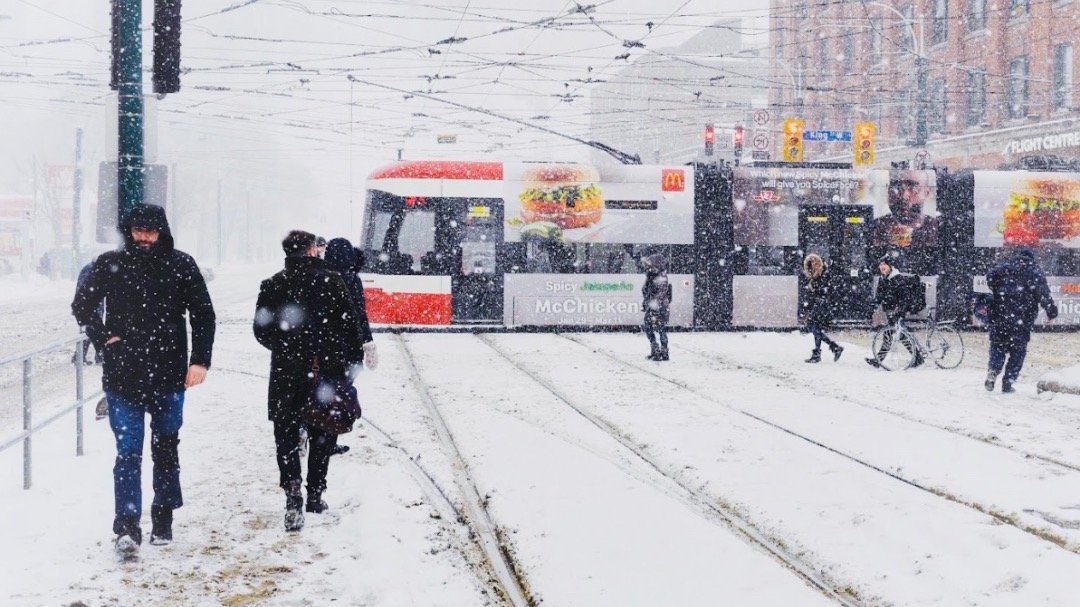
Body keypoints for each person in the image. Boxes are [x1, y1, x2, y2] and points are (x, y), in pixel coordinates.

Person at [71, 203, 216, 557]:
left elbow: (203, 314)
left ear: (162, 231)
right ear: (129, 230)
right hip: (123, 377)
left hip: (169, 375)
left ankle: (163, 516)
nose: (145, 238)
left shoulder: (181, 264)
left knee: (166, 448)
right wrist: (103, 336)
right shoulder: (109, 265)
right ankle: (127, 526)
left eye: (151, 231)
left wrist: (199, 361)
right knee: (128, 452)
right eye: (138, 230)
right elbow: (82, 305)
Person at [253, 230, 365, 532]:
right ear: (312, 250)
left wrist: (286, 348)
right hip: (327, 370)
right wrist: (350, 363)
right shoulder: (332, 281)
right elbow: (351, 327)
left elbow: (261, 330)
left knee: (286, 434)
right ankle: (315, 493)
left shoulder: (273, 284)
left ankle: (293, 495)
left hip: (286, 372)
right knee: (324, 430)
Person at [323, 238, 379, 456]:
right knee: (340, 392)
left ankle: (314, 432)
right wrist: (368, 342)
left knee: (322, 390)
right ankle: (329, 439)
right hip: (348, 346)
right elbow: (359, 314)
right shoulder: (352, 279)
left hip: (323, 345)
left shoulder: (322, 277)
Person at [984, 248, 1058, 393]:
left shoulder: (1004, 268)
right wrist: (1051, 311)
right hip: (1022, 319)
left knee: (998, 346)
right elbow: (1043, 294)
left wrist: (1000, 291)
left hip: (1000, 316)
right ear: (1032, 258)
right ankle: (1008, 383)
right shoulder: (1034, 271)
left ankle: (993, 370)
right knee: (1017, 352)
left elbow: (990, 277)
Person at [865, 256, 925, 368]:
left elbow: (905, 299)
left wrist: (899, 311)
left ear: (890, 266)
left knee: (889, 334)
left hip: (898, 311)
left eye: (884, 264)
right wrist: (871, 309)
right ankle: (917, 358)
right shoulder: (882, 279)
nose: (882, 266)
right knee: (900, 335)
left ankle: (879, 360)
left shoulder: (898, 279)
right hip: (890, 311)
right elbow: (879, 297)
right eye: (880, 264)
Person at [870, 170, 939, 249]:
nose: (903, 196)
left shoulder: (938, 230)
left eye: (913, 188)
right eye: (896, 188)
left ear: (926, 193)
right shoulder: (874, 228)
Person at [801, 254, 843, 363]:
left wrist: (816, 292)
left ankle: (819, 353)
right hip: (816, 304)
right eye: (811, 263)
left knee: (814, 327)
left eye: (816, 263)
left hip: (822, 305)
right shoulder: (812, 276)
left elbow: (826, 291)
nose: (814, 265)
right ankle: (834, 347)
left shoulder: (824, 274)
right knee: (815, 328)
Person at [73, 261, 104, 365]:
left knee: (90, 329)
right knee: (90, 328)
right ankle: (82, 356)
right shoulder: (92, 270)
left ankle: (81, 356)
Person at [641, 254, 672, 361]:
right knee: (659, 328)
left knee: (654, 327)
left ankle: (658, 350)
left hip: (657, 306)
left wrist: (654, 304)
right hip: (658, 305)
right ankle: (661, 350)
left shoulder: (659, 277)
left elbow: (660, 293)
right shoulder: (654, 275)